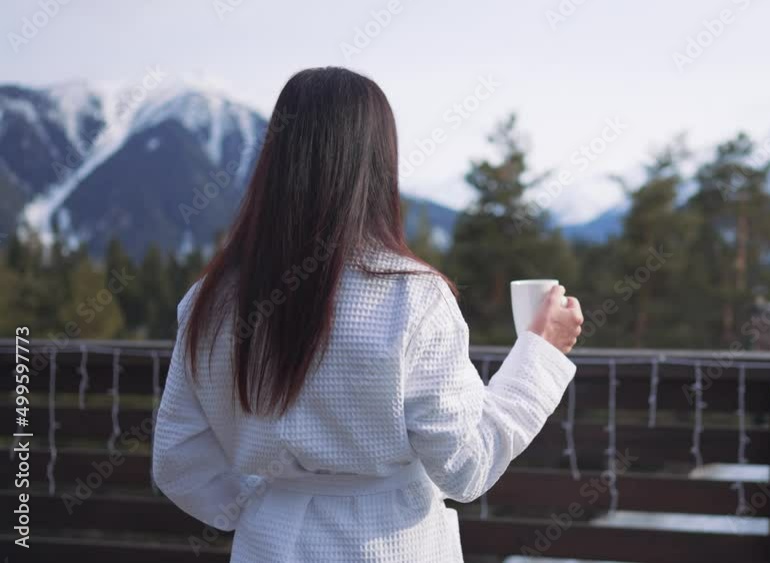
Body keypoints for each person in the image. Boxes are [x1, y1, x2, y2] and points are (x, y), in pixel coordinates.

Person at [151, 67, 584, 563]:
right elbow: (467, 466)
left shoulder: (211, 301)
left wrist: (267, 501)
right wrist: (541, 353)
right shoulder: (413, 298)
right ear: (378, 161)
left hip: (268, 545)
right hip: (392, 544)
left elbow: (179, 459)